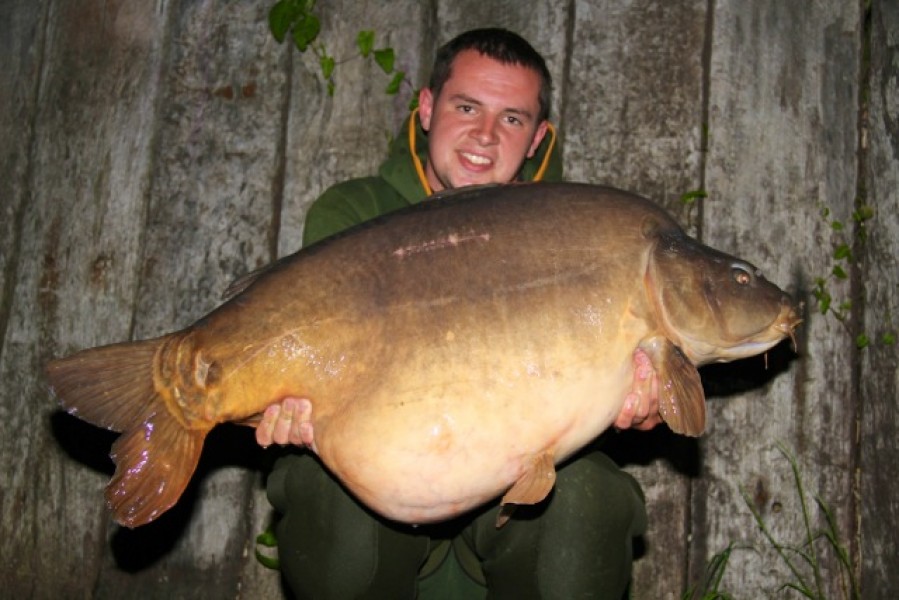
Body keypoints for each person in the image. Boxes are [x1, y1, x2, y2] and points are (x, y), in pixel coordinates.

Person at [256, 28, 662, 599]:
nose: (485, 136)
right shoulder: (356, 212)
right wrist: (294, 410)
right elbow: (309, 356)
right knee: (324, 492)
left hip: (511, 508)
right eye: (466, 107)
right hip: (382, 506)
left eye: (513, 119)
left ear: (538, 138)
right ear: (427, 108)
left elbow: (608, 379)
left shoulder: (582, 237)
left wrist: (642, 404)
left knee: (589, 498)